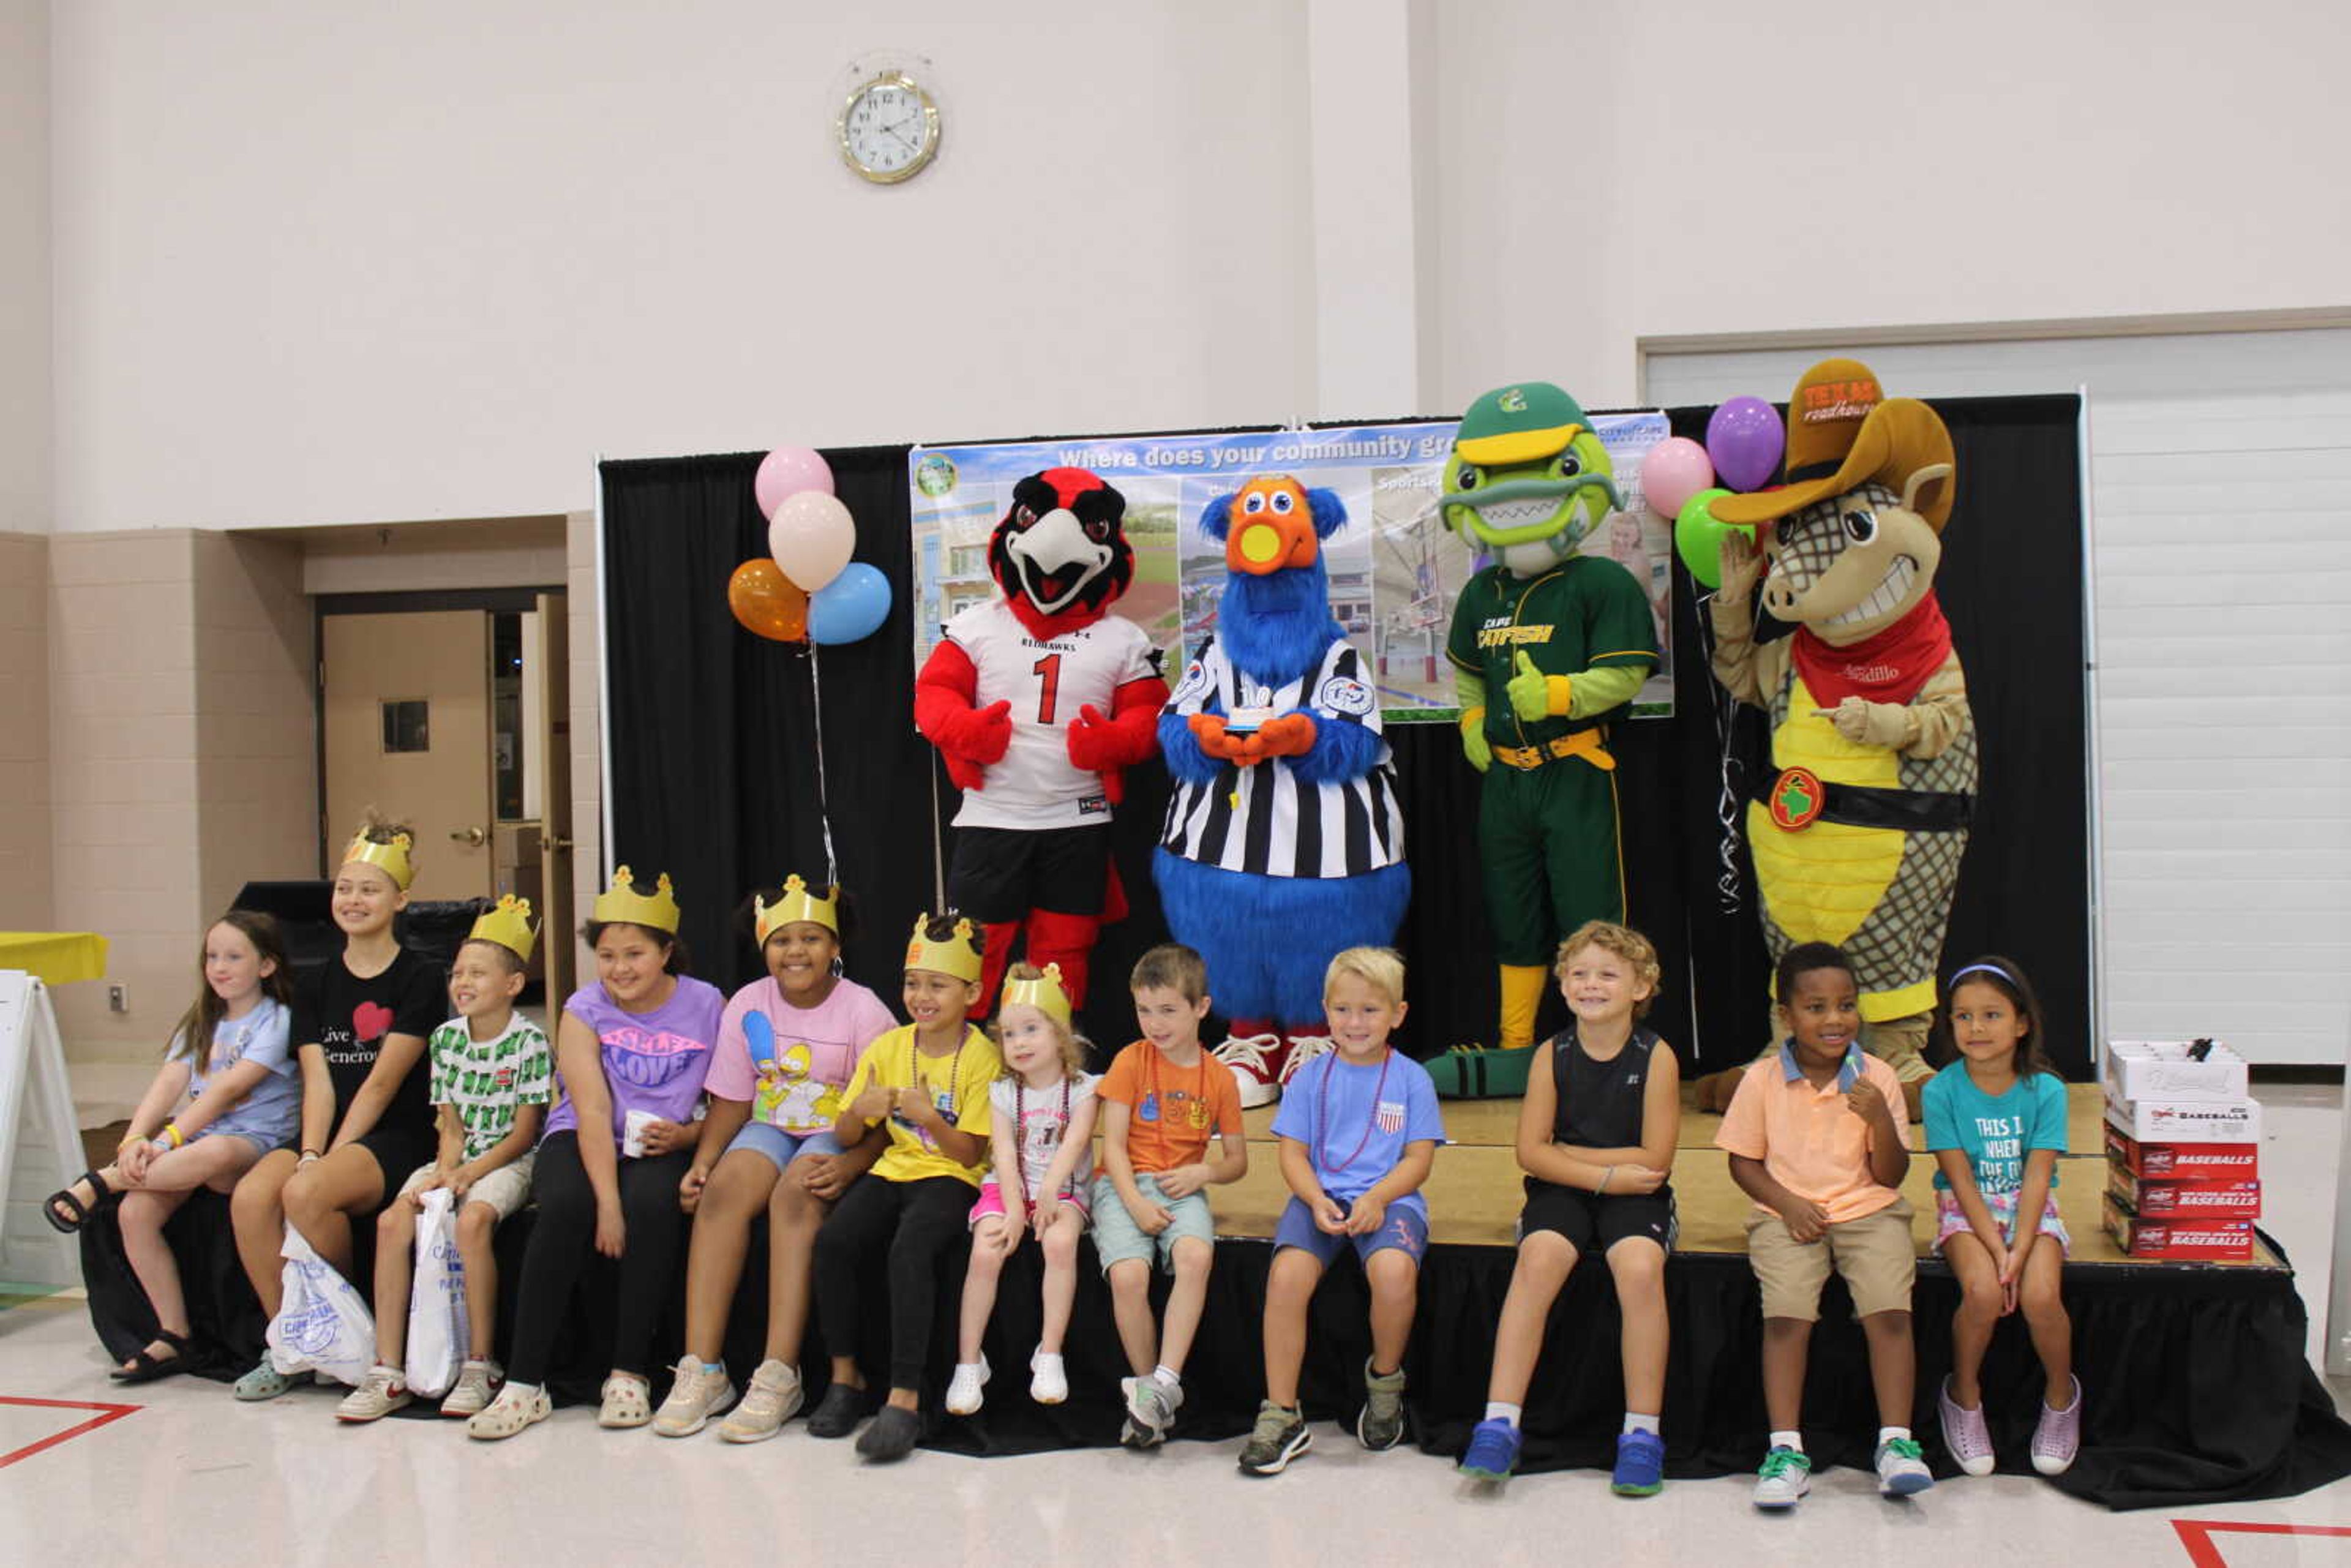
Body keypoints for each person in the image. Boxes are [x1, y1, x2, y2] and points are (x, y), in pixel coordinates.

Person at [468, 868, 723, 1440]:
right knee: (563, 1207)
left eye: (635, 953)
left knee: (655, 1205)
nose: (620, 969)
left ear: (665, 952)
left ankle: (629, 1371)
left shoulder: (707, 1003)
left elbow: (728, 1093)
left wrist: (687, 1140)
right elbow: (588, 1111)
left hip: (662, 1141)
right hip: (582, 1137)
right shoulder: (585, 1007)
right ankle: (524, 1383)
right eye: (607, 955)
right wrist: (606, 1202)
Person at [653, 877, 894, 1441]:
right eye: (782, 940)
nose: (796, 952)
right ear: (763, 946)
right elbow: (734, 1098)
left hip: (836, 1131)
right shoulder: (748, 1003)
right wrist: (704, 1162)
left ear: (836, 946)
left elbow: (883, 1118)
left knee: (796, 1191)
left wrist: (853, 1163)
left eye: (811, 938)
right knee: (725, 1190)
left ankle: (779, 1373)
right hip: (769, 1126)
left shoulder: (864, 1010)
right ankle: (703, 1369)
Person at [1458, 921, 1680, 1494]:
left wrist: (1567, 1156)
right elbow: (1529, 1152)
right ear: (1561, 985)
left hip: (1637, 1189)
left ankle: (1641, 1432)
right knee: (1539, 1258)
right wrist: (1603, 1171)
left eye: (1608, 973)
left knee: (1638, 1267)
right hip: (1588, 1185)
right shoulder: (1550, 1055)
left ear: (1641, 985)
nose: (1591, 984)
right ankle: (1500, 1421)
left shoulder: (1656, 1057)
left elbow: (1655, 1158)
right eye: (1579, 973)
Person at [229, 819, 446, 1401]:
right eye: (345, 887)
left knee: (306, 1193)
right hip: (325, 1128)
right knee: (253, 1197)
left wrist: (330, 1159)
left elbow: (379, 1085)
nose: (354, 900)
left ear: (400, 899)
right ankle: (295, 1343)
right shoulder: (316, 979)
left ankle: (351, 1336)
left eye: (369, 889)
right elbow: (319, 1080)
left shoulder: (421, 977)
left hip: (393, 1133)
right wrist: (309, 1150)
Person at [1717, 941, 1933, 1508]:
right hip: (1786, 1211)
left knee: (1889, 1306)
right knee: (1786, 1312)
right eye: (1816, 1007)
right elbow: (1743, 1161)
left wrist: (1881, 1120)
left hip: (1869, 1208)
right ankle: (1785, 1450)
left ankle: (1897, 1444)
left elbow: (1891, 1175)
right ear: (1786, 1016)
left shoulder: (1878, 1076)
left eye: (1846, 1004)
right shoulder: (1762, 1079)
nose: (1835, 1019)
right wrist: (1786, 1203)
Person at [46, 911, 298, 1382]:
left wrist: (165, 1141)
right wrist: (134, 1138)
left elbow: (224, 1091)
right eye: (212, 956)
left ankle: (98, 1182)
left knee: (216, 1154)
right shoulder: (202, 1021)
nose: (219, 967)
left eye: (234, 956)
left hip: (255, 1141)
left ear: (266, 966)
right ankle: (174, 1333)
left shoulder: (277, 1020)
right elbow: (169, 1082)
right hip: (198, 1138)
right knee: (134, 1214)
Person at [336, 897, 552, 1421]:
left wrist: (468, 1176)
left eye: (478, 972)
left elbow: (525, 1134)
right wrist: (443, 1172)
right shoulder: (445, 1039)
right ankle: (388, 1368)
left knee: (473, 1219)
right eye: (457, 972)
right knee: (394, 1219)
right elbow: (450, 1125)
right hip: (457, 1156)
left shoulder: (530, 1042)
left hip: (507, 1161)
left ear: (513, 984)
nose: (463, 982)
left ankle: (481, 1363)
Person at [1239, 947, 1442, 1477]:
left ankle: (1385, 1384)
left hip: (1389, 1197)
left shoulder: (1412, 1079)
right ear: (1326, 1011)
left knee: (1394, 1273)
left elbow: (1418, 1159)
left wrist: (1377, 1198)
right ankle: (1282, 1413)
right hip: (1320, 1198)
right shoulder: (1309, 1077)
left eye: (1371, 1010)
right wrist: (1314, 1198)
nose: (1356, 1022)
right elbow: (1292, 1154)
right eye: (1344, 1009)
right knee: (1285, 1278)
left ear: (1398, 1014)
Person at [804, 915, 1001, 1463]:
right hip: (893, 1168)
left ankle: (905, 1397)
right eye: (914, 983)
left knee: (910, 1248)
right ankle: (845, 1378)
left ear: (972, 992)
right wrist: (863, 1112)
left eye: (937, 985)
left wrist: (929, 1119)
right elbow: (847, 1134)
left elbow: (971, 1154)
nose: (922, 995)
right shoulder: (889, 1046)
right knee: (836, 1240)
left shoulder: (982, 1056)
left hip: (950, 1177)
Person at [1925, 956, 2079, 1477]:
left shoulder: (2048, 1091)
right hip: (1967, 1211)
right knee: (1985, 1292)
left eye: (1991, 1015)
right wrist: (1997, 1251)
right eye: (1962, 1016)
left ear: (2021, 1023)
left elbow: (2038, 1177)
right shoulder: (1940, 1090)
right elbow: (1960, 1179)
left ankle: (2061, 1397)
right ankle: (1963, 1393)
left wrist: (2020, 1246)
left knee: (2040, 1295)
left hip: (2030, 1210)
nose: (1976, 1028)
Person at [1095, 943, 1247, 1447]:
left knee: (1196, 1255)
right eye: (1144, 1010)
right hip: (1123, 1185)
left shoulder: (1220, 1078)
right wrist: (1135, 1202)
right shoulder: (1129, 1061)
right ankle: (1146, 1397)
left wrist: (1202, 1174)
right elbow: (1112, 1147)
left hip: (1183, 1187)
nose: (1154, 1024)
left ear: (1201, 1008)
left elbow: (1236, 1162)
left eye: (1168, 1010)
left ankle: (1164, 1384)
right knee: (1129, 1275)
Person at [946, 962, 1099, 1414]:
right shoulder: (1002, 1093)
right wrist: (1015, 1211)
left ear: (1060, 1033)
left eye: (1031, 1029)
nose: (1020, 1043)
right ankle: (969, 1361)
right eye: (1010, 1035)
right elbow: (1005, 1157)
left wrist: (1049, 1194)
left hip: (1063, 1188)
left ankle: (1049, 1352)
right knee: (985, 1251)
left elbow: (1074, 1143)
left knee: (1060, 1242)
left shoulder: (1085, 1089)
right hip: (1012, 1187)